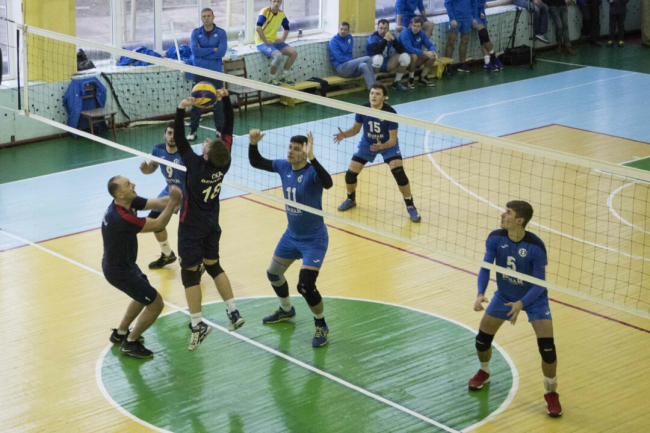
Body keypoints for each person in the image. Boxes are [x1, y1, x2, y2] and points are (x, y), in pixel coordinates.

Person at [468, 200, 562, 418]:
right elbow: (485, 267)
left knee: (548, 349)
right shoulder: (495, 237)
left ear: (519, 220)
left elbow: (539, 284)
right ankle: (484, 371)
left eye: (508, 213)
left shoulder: (535, 247)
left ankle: (551, 393)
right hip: (504, 295)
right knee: (482, 339)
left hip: (534, 299)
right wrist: (480, 293)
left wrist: (522, 304)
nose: (502, 215)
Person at [248, 129, 334, 347]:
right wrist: (253, 143)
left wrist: (313, 158)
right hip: (291, 236)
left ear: (305, 153)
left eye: (296, 149)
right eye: (290, 147)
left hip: (314, 240)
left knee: (305, 285)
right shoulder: (283, 166)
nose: (290, 152)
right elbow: (256, 162)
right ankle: (286, 310)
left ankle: (321, 325)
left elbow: (328, 183)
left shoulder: (312, 172)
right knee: (273, 274)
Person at [175, 89, 245, 351]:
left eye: (206, 144)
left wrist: (181, 108)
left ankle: (197, 325)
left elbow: (180, 139)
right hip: (212, 225)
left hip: (190, 228)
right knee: (213, 266)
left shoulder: (195, 167)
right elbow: (228, 127)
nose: (206, 140)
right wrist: (225, 99)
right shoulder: (223, 163)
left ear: (205, 155)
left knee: (189, 275)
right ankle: (233, 312)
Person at [102, 176, 182, 359]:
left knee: (141, 296)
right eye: (128, 184)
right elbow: (158, 224)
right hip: (119, 271)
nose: (133, 184)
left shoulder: (126, 202)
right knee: (156, 304)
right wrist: (173, 203)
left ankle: (121, 333)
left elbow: (157, 202)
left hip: (124, 265)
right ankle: (130, 342)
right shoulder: (122, 218)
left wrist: (181, 197)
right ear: (119, 194)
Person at [333, 83, 421, 223]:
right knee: (350, 175)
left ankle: (410, 206)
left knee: (399, 174)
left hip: (388, 145)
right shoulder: (363, 109)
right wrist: (345, 134)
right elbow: (355, 129)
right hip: (367, 143)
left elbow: (393, 139)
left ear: (384, 97)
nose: (373, 96)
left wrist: (382, 146)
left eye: (378, 94)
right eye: (372, 93)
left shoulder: (390, 113)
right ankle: (351, 199)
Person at [139, 121, 186, 269]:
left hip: (188, 193)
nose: (172, 137)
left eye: (175, 134)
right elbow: (153, 166)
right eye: (169, 133)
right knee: (154, 220)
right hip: (170, 191)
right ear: (164, 135)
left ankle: (195, 261)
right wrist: (147, 170)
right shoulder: (158, 149)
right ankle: (167, 254)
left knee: (188, 230)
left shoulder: (185, 153)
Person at [187, 8, 227, 141]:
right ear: (201, 18)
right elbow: (195, 51)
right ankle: (193, 130)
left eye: (209, 16)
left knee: (218, 102)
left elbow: (221, 52)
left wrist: (203, 51)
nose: (206, 18)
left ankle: (219, 130)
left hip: (216, 73)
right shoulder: (195, 33)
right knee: (196, 102)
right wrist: (212, 50)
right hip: (200, 72)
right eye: (204, 16)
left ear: (213, 17)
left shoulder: (221, 33)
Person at [255, 0, 298, 86]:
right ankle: (271, 79)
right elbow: (258, 28)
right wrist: (265, 41)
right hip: (261, 42)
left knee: (294, 52)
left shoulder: (281, 14)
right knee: (278, 56)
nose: (276, 3)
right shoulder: (265, 12)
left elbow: (287, 27)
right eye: (274, 1)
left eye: (278, 2)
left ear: (280, 3)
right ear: (270, 2)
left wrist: (283, 39)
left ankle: (283, 76)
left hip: (274, 41)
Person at [366, 19, 411, 92]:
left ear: (388, 29)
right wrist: (385, 40)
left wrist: (393, 39)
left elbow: (402, 50)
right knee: (378, 58)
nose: (383, 31)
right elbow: (376, 51)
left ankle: (396, 82)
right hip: (372, 65)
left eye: (385, 28)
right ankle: (373, 84)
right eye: (381, 28)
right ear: (377, 28)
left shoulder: (391, 36)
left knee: (405, 56)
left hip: (386, 63)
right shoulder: (373, 37)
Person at [329, 22, 376, 90]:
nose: (343, 31)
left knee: (364, 65)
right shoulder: (333, 41)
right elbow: (340, 58)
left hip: (351, 68)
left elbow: (349, 52)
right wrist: (353, 61)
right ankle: (376, 87)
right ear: (338, 29)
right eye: (341, 29)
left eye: (345, 30)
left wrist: (353, 62)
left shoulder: (349, 37)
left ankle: (371, 88)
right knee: (367, 58)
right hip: (341, 68)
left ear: (348, 30)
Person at [398, 17, 437, 88]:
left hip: (416, 57)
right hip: (403, 60)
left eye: (418, 26)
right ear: (410, 25)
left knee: (432, 56)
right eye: (414, 26)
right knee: (414, 56)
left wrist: (433, 51)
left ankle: (423, 77)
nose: (415, 28)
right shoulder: (405, 33)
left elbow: (430, 45)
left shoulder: (422, 33)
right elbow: (409, 49)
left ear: (421, 27)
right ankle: (411, 78)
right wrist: (425, 52)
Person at [473, 0, 505, 71]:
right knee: (483, 32)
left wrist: (482, 8)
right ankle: (494, 56)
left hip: (481, 12)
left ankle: (487, 62)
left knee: (483, 38)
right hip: (472, 13)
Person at [445, 0, 476, 73]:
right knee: (451, 41)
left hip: (467, 18)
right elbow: (447, 4)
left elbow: (474, 3)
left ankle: (462, 64)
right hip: (456, 18)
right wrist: (452, 19)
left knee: (465, 41)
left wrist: (474, 17)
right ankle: (447, 65)